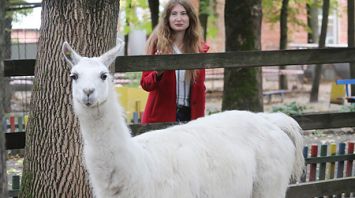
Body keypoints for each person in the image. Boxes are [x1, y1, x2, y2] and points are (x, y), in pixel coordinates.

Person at [140, 0, 209, 123]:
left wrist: (200, 119)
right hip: (161, 116)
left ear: (190, 18)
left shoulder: (199, 49)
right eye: (174, 14)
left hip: (191, 117)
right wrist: (158, 73)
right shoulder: (157, 45)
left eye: (183, 13)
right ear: (167, 18)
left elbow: (200, 88)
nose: (179, 18)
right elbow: (145, 84)